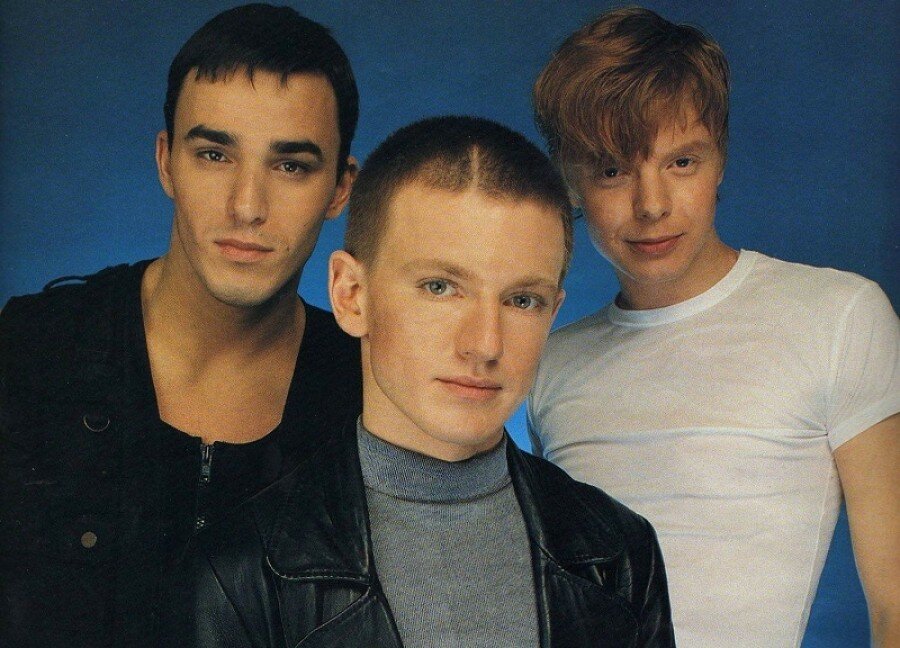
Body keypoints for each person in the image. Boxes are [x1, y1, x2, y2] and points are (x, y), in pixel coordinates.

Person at [166, 116, 675, 647]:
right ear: (351, 295)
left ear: (553, 311)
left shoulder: (619, 553)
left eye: (522, 300)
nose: (485, 344)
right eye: (440, 287)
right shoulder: (237, 573)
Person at [528, 7, 899, 647]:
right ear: (570, 181)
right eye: (613, 169)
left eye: (681, 162)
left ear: (720, 160)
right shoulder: (547, 362)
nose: (651, 205)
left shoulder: (839, 316)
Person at [0, 5, 362, 646]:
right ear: (167, 162)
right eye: (215, 154)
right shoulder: (28, 351)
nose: (246, 206)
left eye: (291, 166)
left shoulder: (371, 395)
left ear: (339, 188)